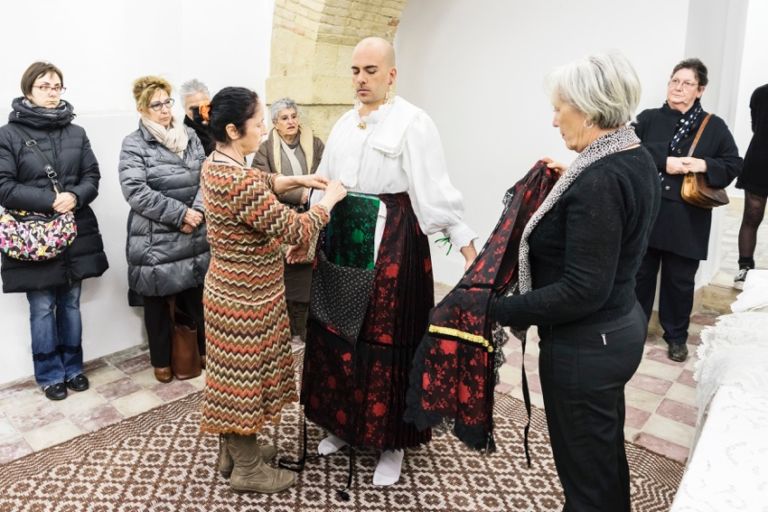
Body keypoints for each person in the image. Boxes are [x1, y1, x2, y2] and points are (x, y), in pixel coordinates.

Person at [300, 36, 477, 487]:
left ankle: (391, 443)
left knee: (385, 341)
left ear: (391, 74)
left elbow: (434, 191)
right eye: (356, 71)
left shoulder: (414, 123)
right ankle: (343, 424)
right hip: (342, 237)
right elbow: (327, 183)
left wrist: (468, 249)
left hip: (393, 244)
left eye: (371, 71)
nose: (361, 79)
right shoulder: (342, 123)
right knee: (337, 333)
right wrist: (307, 230)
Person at [491, 52, 660, 512]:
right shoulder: (632, 155)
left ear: (587, 108)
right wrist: (573, 184)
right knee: (601, 459)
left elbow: (583, 290)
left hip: (587, 348)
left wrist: (498, 310)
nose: (553, 119)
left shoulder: (599, 180)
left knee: (585, 476)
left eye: (559, 107)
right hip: (617, 330)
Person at [198, 86, 346, 494]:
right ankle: (247, 469)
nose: (264, 131)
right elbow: (294, 227)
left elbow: (258, 179)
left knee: (232, 379)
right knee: (243, 383)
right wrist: (327, 201)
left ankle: (233, 453)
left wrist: (295, 178)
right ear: (233, 129)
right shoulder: (236, 182)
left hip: (231, 293)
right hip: (244, 302)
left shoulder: (217, 164)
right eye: (259, 123)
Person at [0, 62, 109, 400]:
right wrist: (51, 200)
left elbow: (92, 175)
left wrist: (74, 196)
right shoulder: (8, 134)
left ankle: (74, 368)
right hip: (33, 236)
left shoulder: (76, 132)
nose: (51, 92)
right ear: (28, 90)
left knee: (72, 303)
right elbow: (4, 187)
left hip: (73, 231)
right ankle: (49, 374)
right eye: (44, 86)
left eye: (57, 86)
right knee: (43, 306)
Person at [634, 58, 742, 362]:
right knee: (639, 276)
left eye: (687, 83)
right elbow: (627, 149)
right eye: (674, 81)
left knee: (680, 282)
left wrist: (703, 164)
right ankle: (634, 331)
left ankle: (676, 337)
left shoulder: (714, 126)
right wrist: (663, 161)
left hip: (687, 218)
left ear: (700, 90)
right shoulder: (648, 118)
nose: (678, 88)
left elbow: (734, 164)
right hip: (648, 213)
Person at [118, 76, 210, 383]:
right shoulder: (134, 143)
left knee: (193, 295)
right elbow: (135, 190)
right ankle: (161, 360)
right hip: (155, 236)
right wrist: (180, 213)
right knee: (158, 300)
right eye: (155, 104)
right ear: (142, 108)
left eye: (167, 102)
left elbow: (205, 176)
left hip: (193, 229)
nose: (164, 110)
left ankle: (197, 352)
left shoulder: (191, 137)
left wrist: (196, 211)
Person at [252, 97, 325, 343]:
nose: (291, 121)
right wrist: (300, 192)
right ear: (275, 123)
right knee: (289, 274)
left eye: (294, 116)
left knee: (309, 276)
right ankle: (289, 329)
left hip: (312, 216)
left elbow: (326, 173)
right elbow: (263, 182)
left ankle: (306, 329)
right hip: (282, 219)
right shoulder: (265, 149)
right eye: (284, 118)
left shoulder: (314, 143)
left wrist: (313, 197)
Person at [734, 83, 768, 288]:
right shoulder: (761, 93)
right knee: (752, 214)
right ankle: (745, 267)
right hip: (761, 160)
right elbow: (757, 126)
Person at [180, 79, 215, 155]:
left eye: (203, 106)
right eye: (193, 108)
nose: (199, 112)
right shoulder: (181, 138)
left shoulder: (223, 123)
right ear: (184, 108)